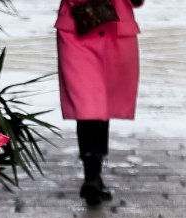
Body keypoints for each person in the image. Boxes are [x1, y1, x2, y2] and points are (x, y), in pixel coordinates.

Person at [55, 0, 145, 206]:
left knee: (99, 105)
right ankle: (92, 173)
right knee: (88, 105)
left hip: (115, 30)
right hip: (78, 30)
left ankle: (93, 172)